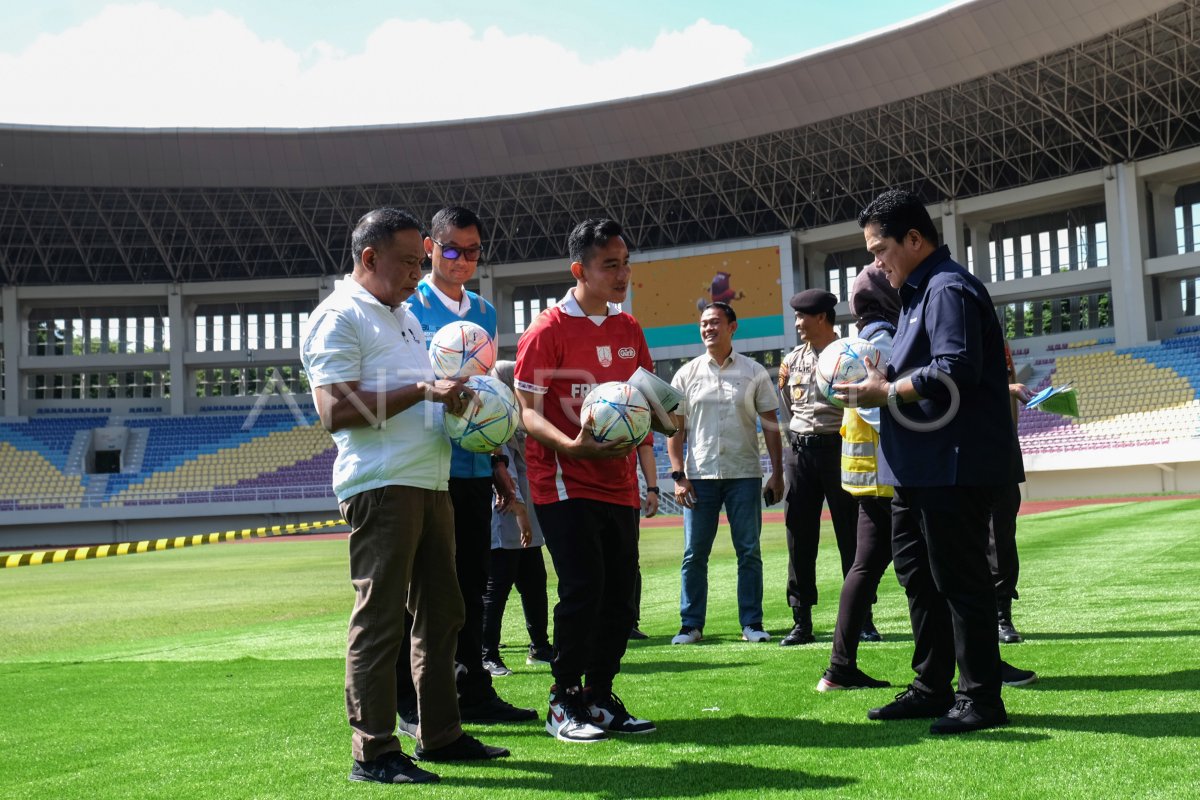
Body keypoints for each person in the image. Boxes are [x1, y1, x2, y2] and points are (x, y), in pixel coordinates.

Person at [300, 208, 507, 785]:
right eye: (411, 262)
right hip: (382, 485)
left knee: (443, 612)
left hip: (431, 480)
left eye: (422, 261)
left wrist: (461, 405)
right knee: (381, 618)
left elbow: (423, 395)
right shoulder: (338, 316)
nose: (419, 273)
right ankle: (373, 750)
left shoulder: (403, 318)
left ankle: (441, 733)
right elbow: (333, 410)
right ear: (369, 258)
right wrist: (421, 388)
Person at [843, 188, 1023, 734]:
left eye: (880, 250)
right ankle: (931, 686)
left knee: (960, 579)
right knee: (918, 576)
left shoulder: (947, 289)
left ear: (915, 240)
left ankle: (981, 699)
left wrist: (885, 391)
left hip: (953, 463)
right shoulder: (918, 291)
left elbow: (955, 368)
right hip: (918, 466)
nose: (876, 263)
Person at [514, 217, 660, 743]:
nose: (622, 274)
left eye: (625, 263)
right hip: (563, 480)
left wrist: (661, 436)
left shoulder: (629, 329)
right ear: (580, 269)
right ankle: (562, 700)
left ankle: (599, 696)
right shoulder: (547, 330)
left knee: (622, 595)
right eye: (610, 265)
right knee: (583, 589)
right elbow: (527, 413)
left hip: (618, 481)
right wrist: (572, 445)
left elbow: (646, 407)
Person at [397, 206, 535, 730]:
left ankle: (472, 689)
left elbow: (487, 396)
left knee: (472, 581)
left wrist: (498, 462)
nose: (462, 260)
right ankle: (412, 702)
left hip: (475, 468)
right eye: (451, 250)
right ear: (430, 248)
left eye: (473, 251)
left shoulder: (484, 312)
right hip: (426, 466)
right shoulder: (408, 306)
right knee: (423, 590)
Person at [666, 301, 783, 645]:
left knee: (748, 551)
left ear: (733, 327)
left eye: (715, 322)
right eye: (703, 323)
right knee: (694, 554)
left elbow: (771, 427)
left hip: (744, 474)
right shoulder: (685, 375)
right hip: (699, 476)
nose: (708, 329)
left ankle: (752, 623)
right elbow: (676, 430)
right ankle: (690, 625)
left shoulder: (754, 372)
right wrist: (678, 474)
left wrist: (777, 473)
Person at [817, 265, 901, 691]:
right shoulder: (883, 342)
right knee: (935, 570)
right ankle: (973, 665)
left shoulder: (853, 343)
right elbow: (877, 406)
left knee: (864, 568)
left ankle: (838, 668)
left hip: (867, 475)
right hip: (889, 476)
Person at [776, 289, 861, 646]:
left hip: (838, 448)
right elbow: (786, 404)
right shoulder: (791, 361)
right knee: (799, 535)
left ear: (822, 318)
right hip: (800, 453)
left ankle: (861, 619)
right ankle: (802, 620)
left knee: (851, 535)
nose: (797, 324)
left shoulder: (852, 356)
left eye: (802, 317)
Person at [481, 360, 553, 677]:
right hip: (507, 511)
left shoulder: (518, 417)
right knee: (497, 585)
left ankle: (540, 647)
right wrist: (520, 508)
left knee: (534, 582)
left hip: (528, 517)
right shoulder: (495, 417)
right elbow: (504, 470)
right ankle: (487, 654)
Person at [992, 342, 1033, 644]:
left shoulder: (998, 342)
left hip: (1000, 447)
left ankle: (1001, 613)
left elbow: (1009, 387)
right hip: (960, 447)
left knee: (1001, 534)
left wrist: (1009, 441)